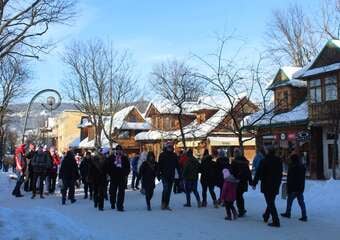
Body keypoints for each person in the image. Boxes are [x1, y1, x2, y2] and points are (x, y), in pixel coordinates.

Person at [252, 146, 283, 227]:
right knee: (271, 201)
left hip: (267, 184)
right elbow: (280, 173)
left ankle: (276, 221)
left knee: (270, 202)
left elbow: (258, 173)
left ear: (268, 152)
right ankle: (266, 215)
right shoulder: (278, 160)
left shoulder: (264, 161)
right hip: (276, 184)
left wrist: (254, 183)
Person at [281, 150, 307, 222]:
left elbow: (290, 179)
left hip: (293, 188)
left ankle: (288, 213)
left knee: (289, 201)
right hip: (300, 187)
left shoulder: (292, 167)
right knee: (301, 202)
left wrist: (288, 188)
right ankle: (304, 215)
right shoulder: (302, 167)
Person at [107, 145, 130, 211]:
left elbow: (128, 167)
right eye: (117, 150)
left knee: (121, 192)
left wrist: (125, 173)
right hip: (113, 177)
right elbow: (108, 166)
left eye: (120, 150)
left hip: (122, 177)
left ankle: (120, 206)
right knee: (112, 192)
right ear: (115, 150)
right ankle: (113, 203)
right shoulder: (111, 157)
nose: (119, 151)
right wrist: (109, 173)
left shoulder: (124, 158)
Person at [230, 148, 252, 217]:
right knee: (240, 196)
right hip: (244, 181)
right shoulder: (245, 162)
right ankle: (242, 209)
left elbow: (232, 172)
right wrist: (251, 181)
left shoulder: (234, 162)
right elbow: (248, 172)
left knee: (238, 196)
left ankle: (241, 210)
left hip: (237, 181)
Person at [158, 141, 180, 210]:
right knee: (165, 189)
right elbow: (159, 165)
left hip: (171, 175)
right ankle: (163, 203)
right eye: (169, 147)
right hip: (164, 175)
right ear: (166, 147)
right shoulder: (162, 155)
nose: (170, 148)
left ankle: (167, 204)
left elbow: (177, 165)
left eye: (171, 147)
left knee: (169, 190)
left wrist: (180, 173)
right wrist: (158, 174)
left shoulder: (174, 155)